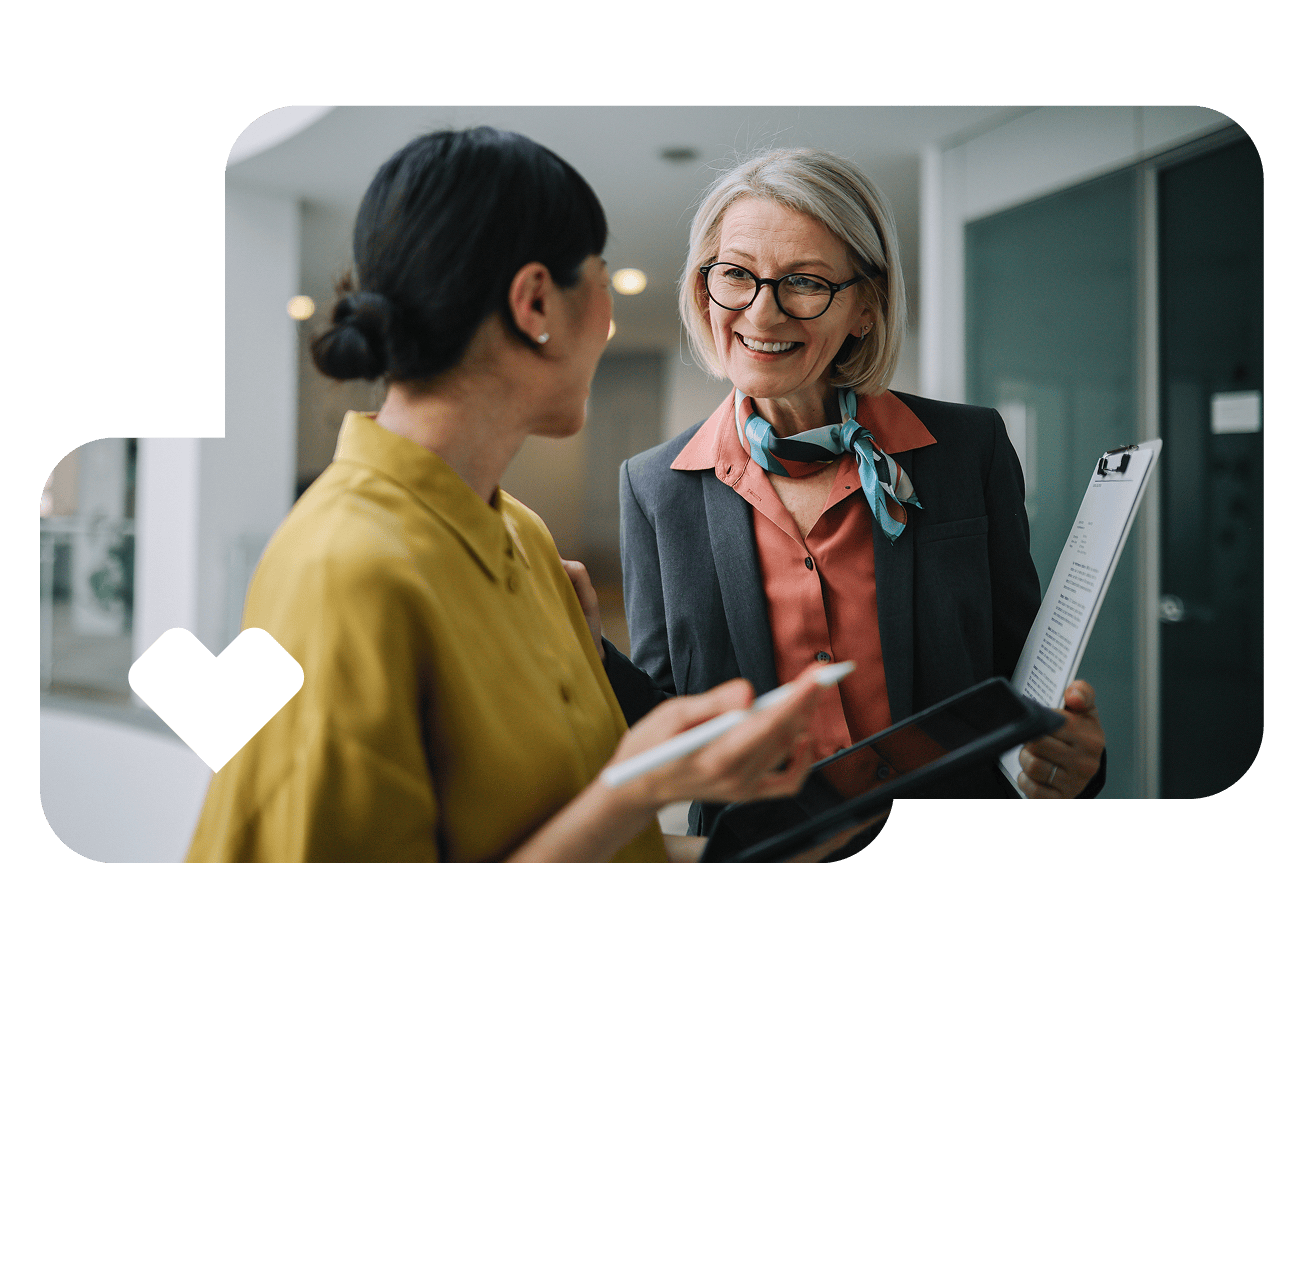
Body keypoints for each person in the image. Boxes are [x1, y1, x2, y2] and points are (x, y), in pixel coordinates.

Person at [187, 128, 830, 864]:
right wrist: (637, 787)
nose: (610, 317)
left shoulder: (523, 537)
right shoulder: (340, 571)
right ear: (534, 303)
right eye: (600, 279)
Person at [617, 147, 1107, 848]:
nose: (763, 311)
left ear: (867, 309)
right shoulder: (654, 487)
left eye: (805, 282)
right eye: (735, 275)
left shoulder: (969, 451)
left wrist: (1072, 760)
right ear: (704, 288)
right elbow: (668, 723)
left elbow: (1025, 682)